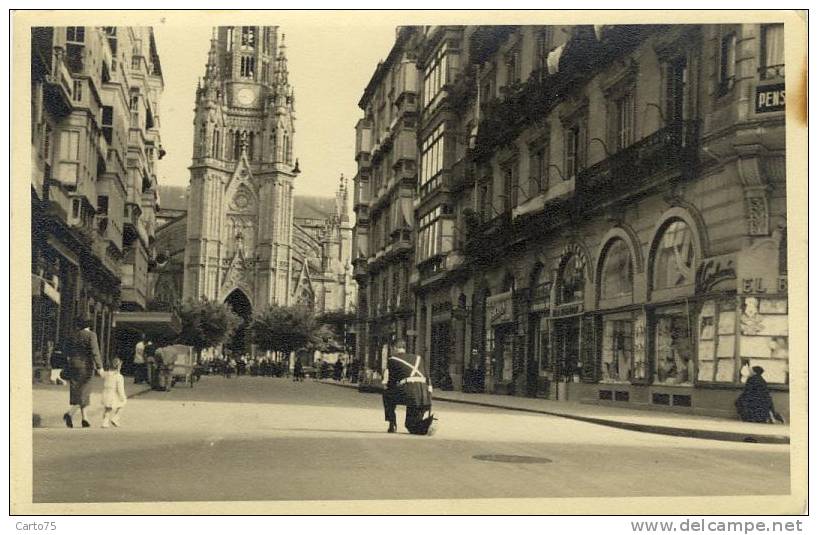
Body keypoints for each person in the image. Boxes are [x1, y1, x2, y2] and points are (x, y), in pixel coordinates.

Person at [381, 339, 435, 435]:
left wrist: (388, 387)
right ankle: (427, 425)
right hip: (423, 396)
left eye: (391, 349)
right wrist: (429, 394)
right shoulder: (419, 358)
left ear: (394, 348)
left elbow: (392, 382)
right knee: (410, 425)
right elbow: (428, 377)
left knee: (386, 394)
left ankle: (392, 423)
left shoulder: (393, 360)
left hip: (408, 393)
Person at [63, 317, 104, 428]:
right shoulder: (91, 335)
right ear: (88, 325)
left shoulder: (72, 335)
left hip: (73, 365)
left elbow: (66, 350)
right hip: (86, 366)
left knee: (77, 390)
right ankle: (69, 413)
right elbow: (95, 351)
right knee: (84, 392)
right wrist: (99, 367)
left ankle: (85, 418)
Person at [101, 357, 127, 428]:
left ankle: (105, 422)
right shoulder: (119, 377)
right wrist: (123, 396)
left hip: (106, 393)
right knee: (122, 404)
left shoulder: (107, 374)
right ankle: (115, 418)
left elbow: (101, 373)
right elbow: (120, 388)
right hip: (113, 394)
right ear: (119, 367)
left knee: (107, 409)